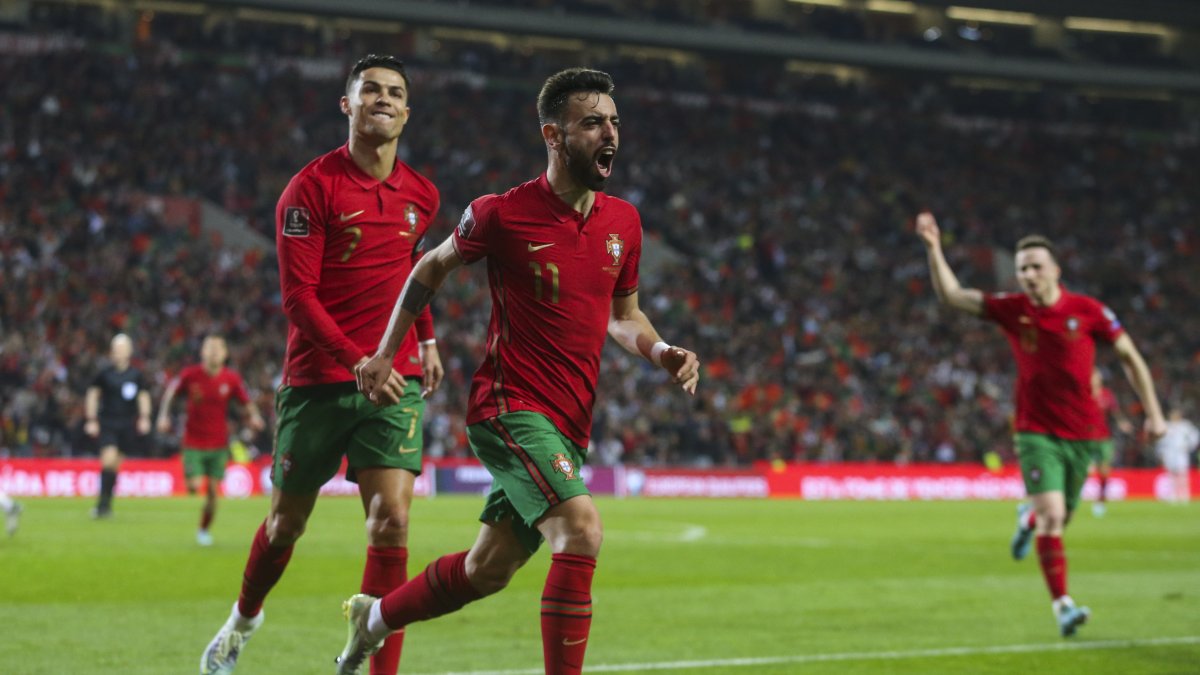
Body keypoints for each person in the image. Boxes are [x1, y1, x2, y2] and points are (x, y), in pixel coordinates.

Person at [335, 67, 700, 675]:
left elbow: (623, 317)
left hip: (568, 425)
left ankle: (372, 620)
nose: (610, 133)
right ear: (553, 136)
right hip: (509, 407)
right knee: (581, 531)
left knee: (487, 569)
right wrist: (384, 351)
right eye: (593, 123)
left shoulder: (624, 223)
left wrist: (662, 352)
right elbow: (429, 267)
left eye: (614, 122)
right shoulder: (501, 214)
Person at [200, 54, 444, 675]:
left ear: (407, 112)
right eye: (371, 90)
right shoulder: (309, 189)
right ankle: (243, 619)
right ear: (347, 105)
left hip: (392, 381)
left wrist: (426, 340)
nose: (383, 99)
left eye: (395, 92)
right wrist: (358, 359)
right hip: (317, 381)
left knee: (391, 522)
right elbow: (297, 298)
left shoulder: (422, 195)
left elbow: (414, 275)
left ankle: (373, 661)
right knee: (285, 525)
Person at [915, 212, 1165, 638]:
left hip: (1082, 433)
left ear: (1055, 271)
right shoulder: (1014, 310)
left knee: (1058, 519)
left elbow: (1131, 357)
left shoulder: (1088, 311)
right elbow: (953, 295)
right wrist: (933, 248)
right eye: (1022, 269)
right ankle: (1063, 605)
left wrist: (1154, 413)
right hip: (1035, 431)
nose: (1028, 275)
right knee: (1054, 515)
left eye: (1036, 267)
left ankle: (1027, 519)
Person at [157, 335, 265, 546]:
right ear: (202, 352)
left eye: (218, 348)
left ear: (225, 354)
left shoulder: (231, 379)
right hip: (193, 442)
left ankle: (203, 530)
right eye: (210, 348)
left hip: (218, 444)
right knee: (194, 486)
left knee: (214, 493)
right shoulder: (190, 375)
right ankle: (194, 488)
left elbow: (246, 401)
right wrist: (163, 416)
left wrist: (255, 416)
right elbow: (171, 393)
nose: (214, 352)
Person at [83, 333, 152, 518]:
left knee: (114, 465)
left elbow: (143, 396)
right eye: (115, 349)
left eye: (121, 349)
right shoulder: (104, 374)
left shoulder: (136, 375)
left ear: (129, 352)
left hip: (127, 425)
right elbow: (92, 394)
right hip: (108, 423)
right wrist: (91, 419)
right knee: (108, 459)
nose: (118, 353)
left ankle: (105, 505)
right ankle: (101, 505)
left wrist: (145, 417)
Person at [1087, 367, 1133, 517]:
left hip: (1104, 438)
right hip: (1085, 438)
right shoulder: (1083, 394)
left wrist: (1122, 423)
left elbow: (1115, 412)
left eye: (1096, 376)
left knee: (1104, 471)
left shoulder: (1107, 394)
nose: (1094, 379)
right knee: (1084, 470)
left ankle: (1100, 501)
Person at [1156, 407, 1198, 504]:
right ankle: (1173, 495)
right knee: (1171, 475)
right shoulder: (1167, 426)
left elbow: (1195, 436)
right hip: (1169, 453)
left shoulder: (1185, 426)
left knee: (1182, 475)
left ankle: (1184, 495)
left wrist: (1188, 446)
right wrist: (1161, 452)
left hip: (1181, 453)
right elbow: (1162, 441)